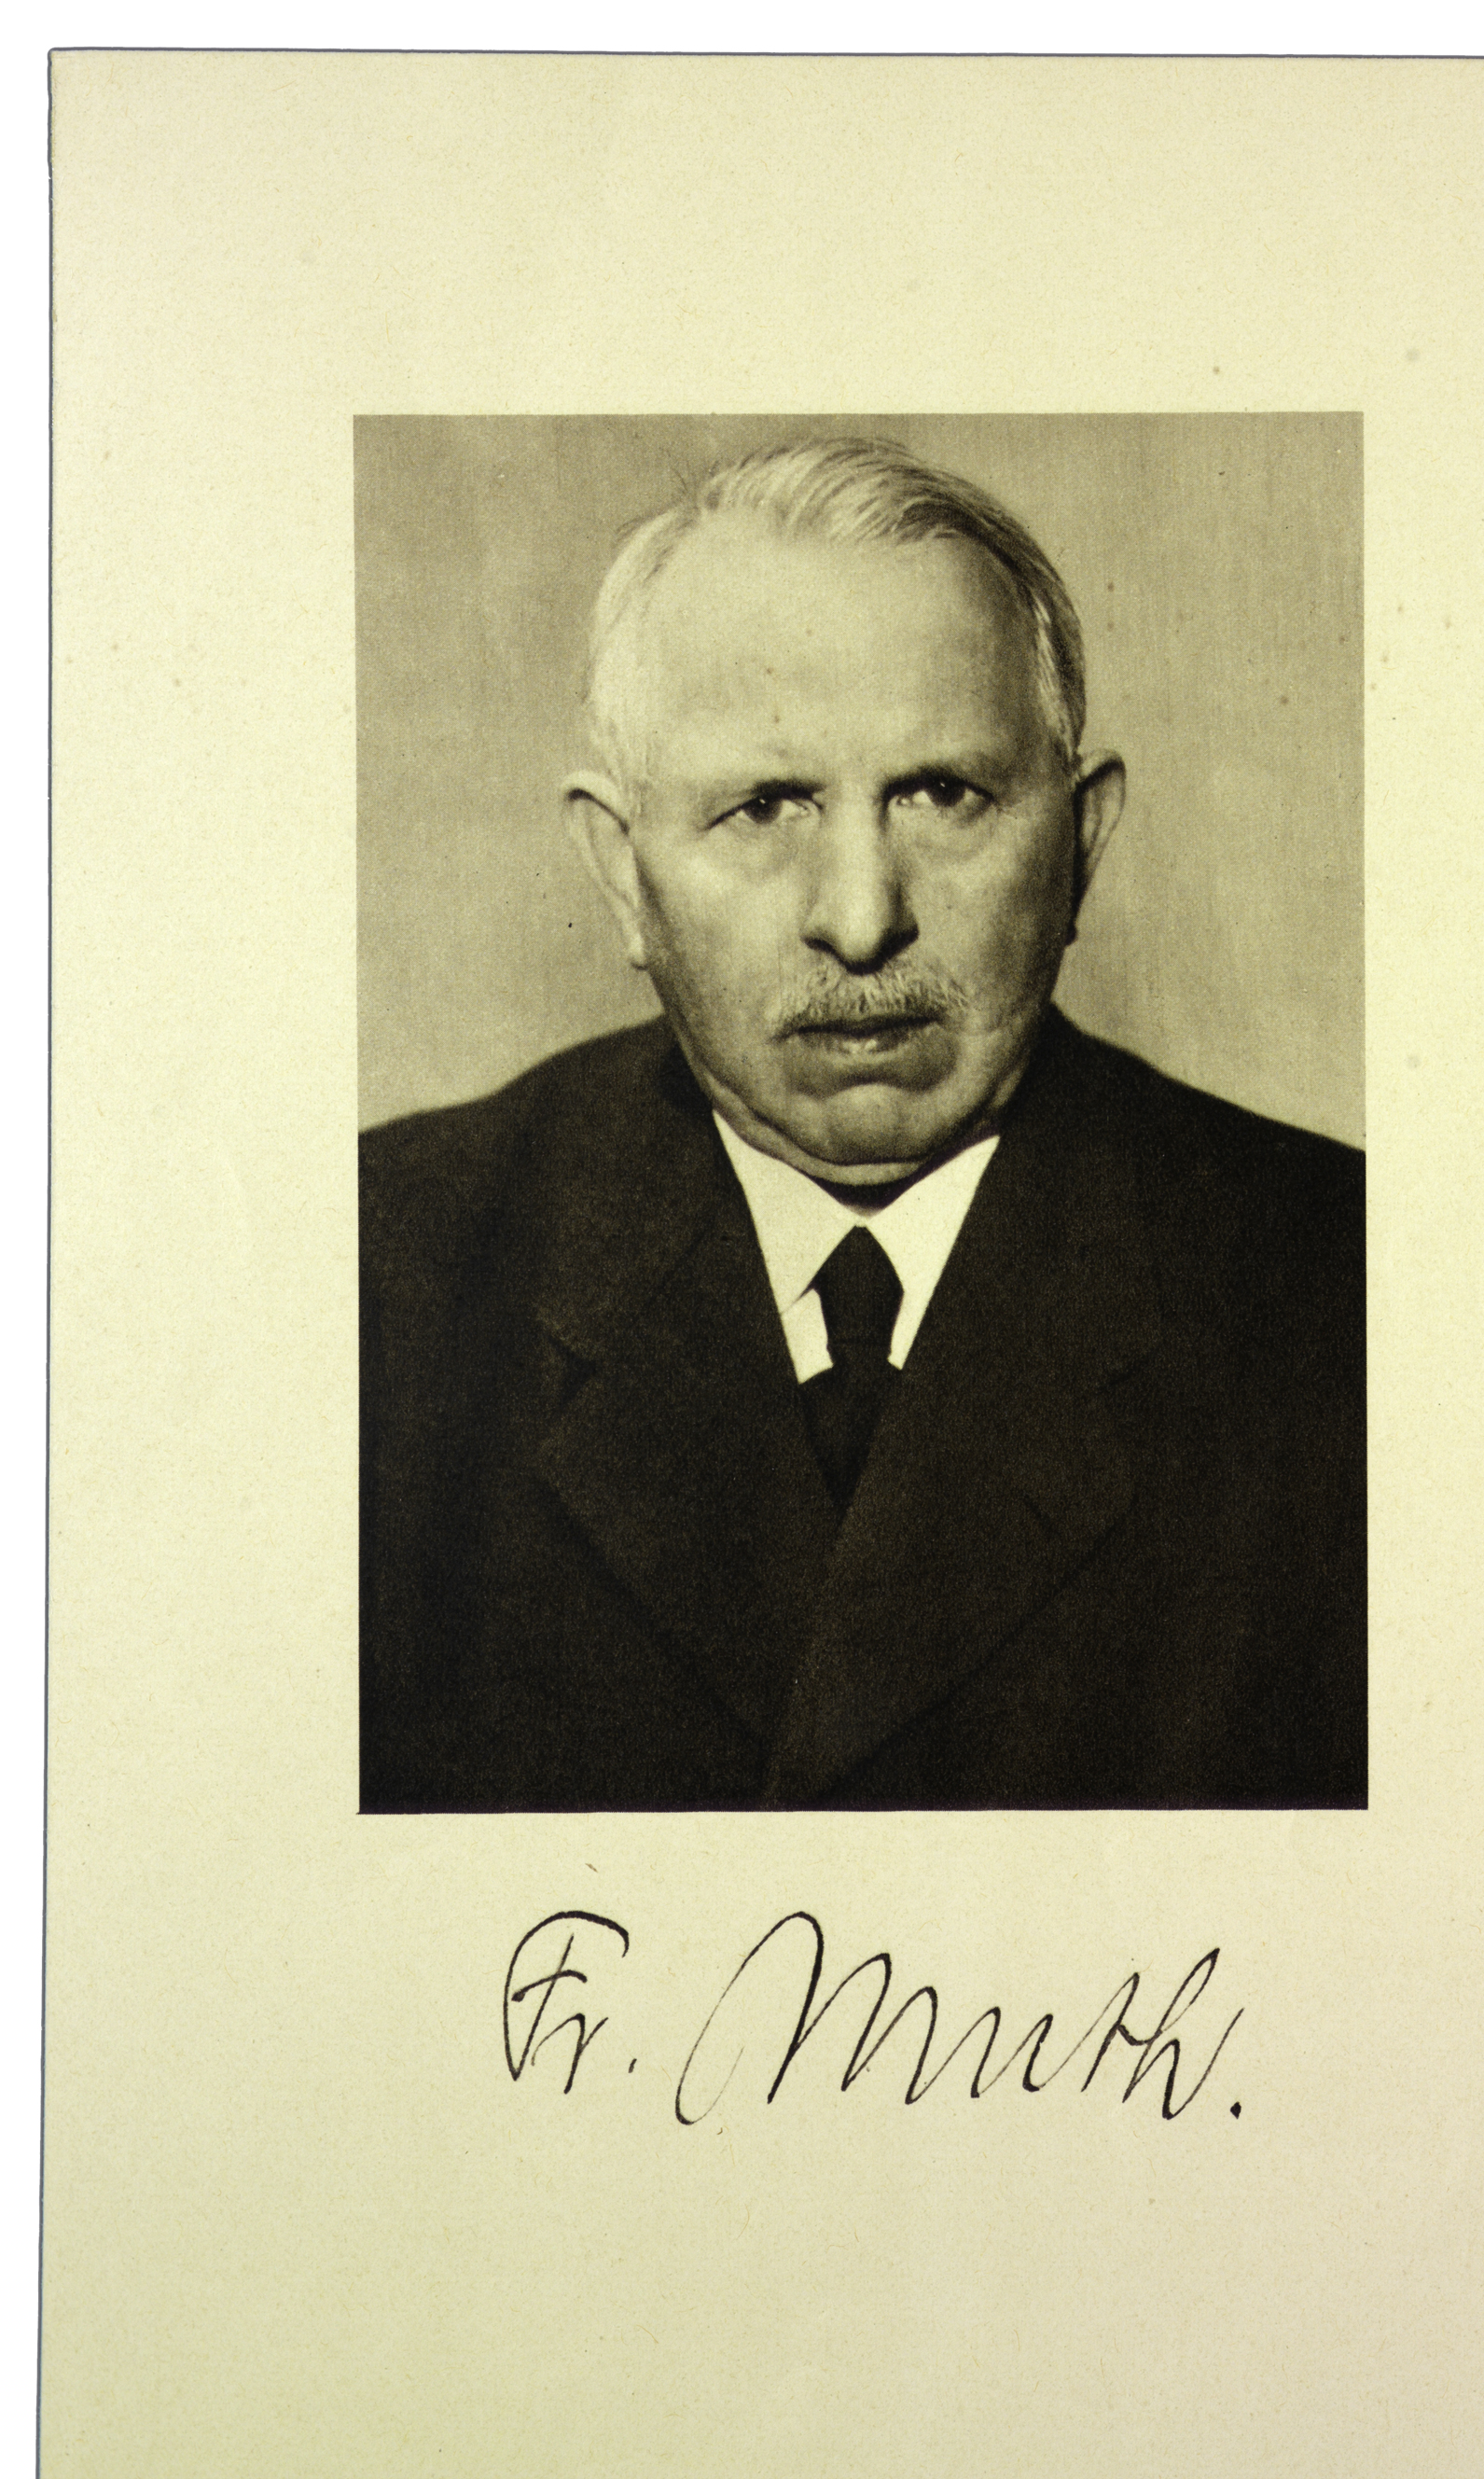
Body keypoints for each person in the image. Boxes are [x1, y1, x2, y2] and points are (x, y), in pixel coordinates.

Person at [359, 437, 1365, 1812]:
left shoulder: (1345, 1295)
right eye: (766, 806)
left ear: (1081, 843)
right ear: (621, 873)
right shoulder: (378, 1283)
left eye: (943, 795)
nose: (858, 915)